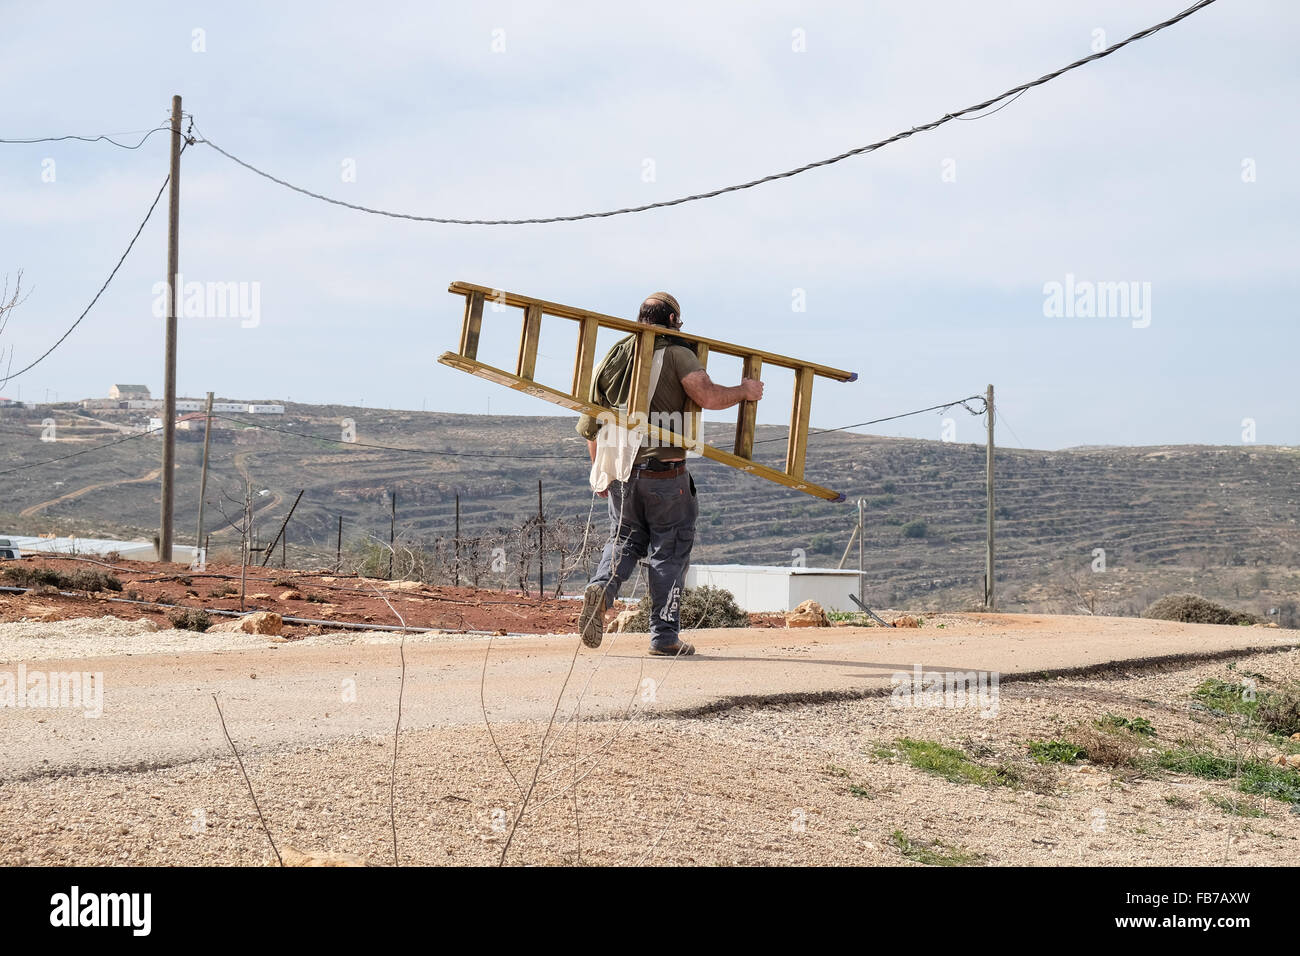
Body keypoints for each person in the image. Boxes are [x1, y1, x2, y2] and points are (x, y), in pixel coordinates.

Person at [576, 292, 763, 655]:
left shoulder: (616, 354)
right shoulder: (679, 353)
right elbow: (707, 396)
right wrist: (745, 390)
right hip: (665, 477)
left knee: (624, 540)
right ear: (674, 321)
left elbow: (590, 422)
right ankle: (664, 638)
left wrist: (598, 470)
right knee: (669, 552)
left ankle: (602, 589)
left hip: (620, 473)